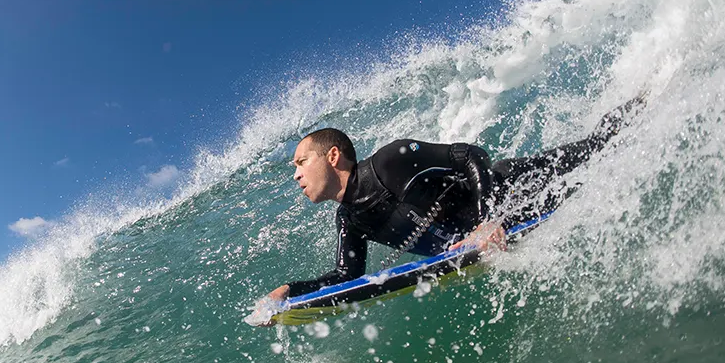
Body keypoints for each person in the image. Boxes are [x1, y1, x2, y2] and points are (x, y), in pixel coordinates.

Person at [261, 96, 645, 306]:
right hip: (496, 227)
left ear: (331, 157)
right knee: (596, 176)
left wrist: (487, 220)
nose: (296, 174)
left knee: (600, 147)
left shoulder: (390, 162)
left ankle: (645, 100)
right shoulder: (351, 220)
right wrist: (289, 291)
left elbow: (469, 156)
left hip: (516, 188)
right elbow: (348, 277)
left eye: (300, 162)